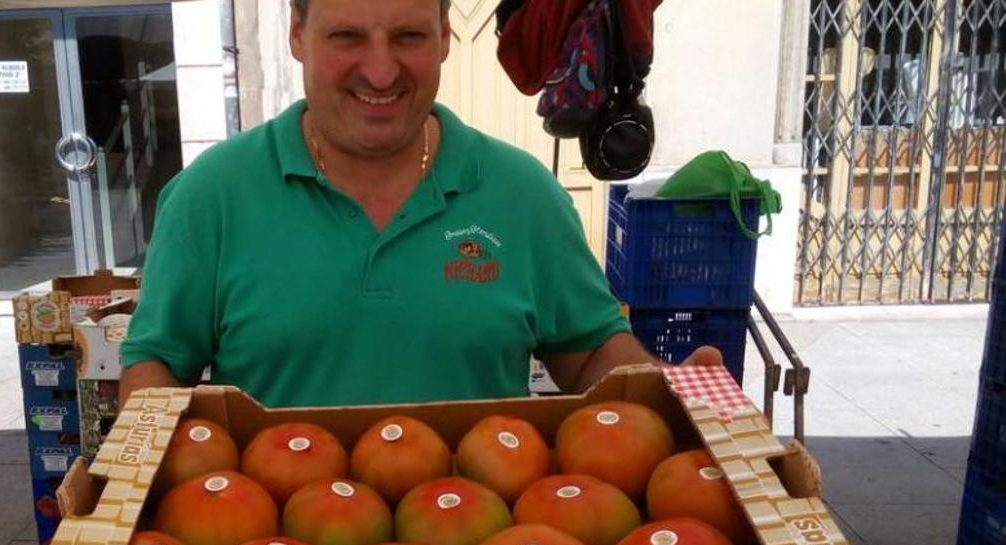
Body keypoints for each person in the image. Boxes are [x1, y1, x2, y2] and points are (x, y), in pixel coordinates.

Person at [118, 0, 719, 408]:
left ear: (445, 39)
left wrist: (665, 391)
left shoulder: (523, 194)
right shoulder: (210, 196)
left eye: (408, 36)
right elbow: (155, 366)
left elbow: (588, 351)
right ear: (297, 36)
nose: (380, 72)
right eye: (347, 36)